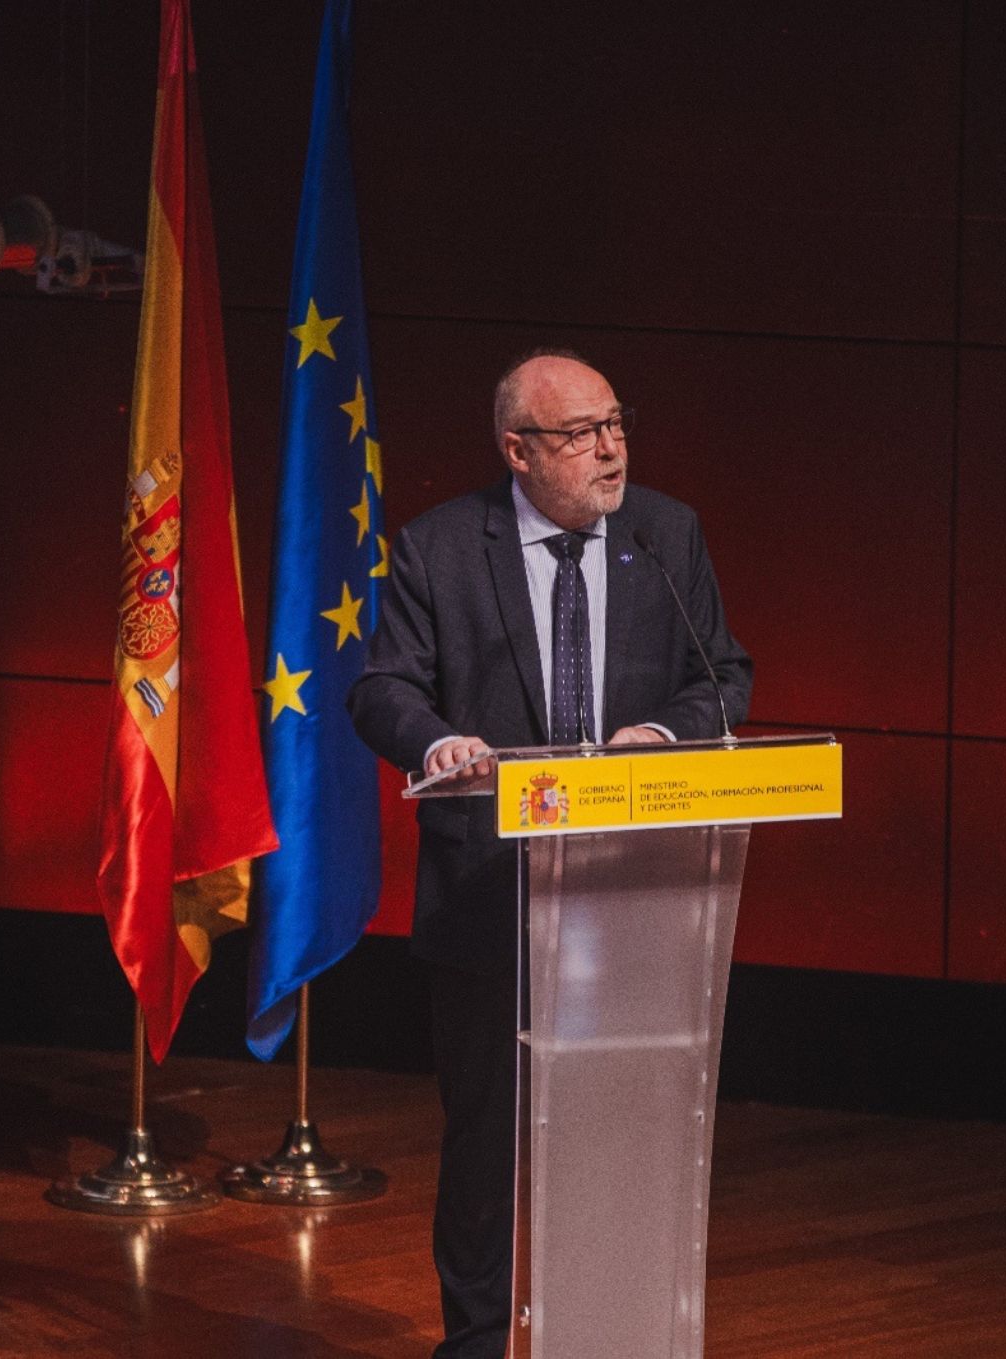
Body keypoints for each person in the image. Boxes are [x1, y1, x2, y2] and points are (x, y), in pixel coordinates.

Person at [348, 349, 752, 1359]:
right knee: (485, 1149)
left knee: (620, 1138)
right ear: (517, 452)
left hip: (631, 899)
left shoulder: (666, 535)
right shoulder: (442, 548)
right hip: (490, 893)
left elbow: (724, 678)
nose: (609, 450)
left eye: (616, 424)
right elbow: (381, 687)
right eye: (580, 435)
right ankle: (478, 1345)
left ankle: (608, 1335)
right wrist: (438, 741)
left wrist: (660, 738)